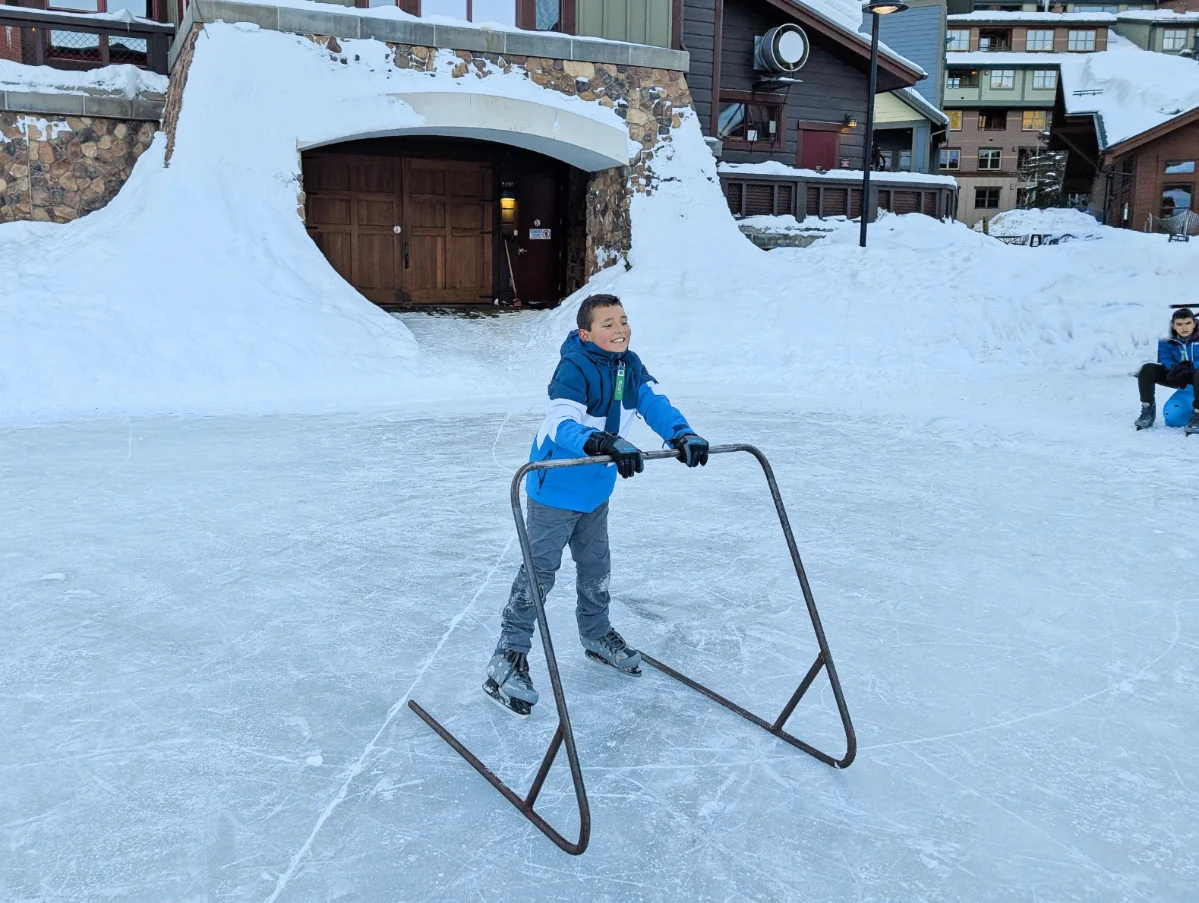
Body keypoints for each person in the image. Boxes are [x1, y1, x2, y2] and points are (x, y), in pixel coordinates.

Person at [483, 293, 709, 717]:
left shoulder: (630, 364)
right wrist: (602, 442)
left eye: (623, 320)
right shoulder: (574, 366)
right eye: (607, 323)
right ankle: (508, 655)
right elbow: (560, 422)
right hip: (556, 488)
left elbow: (653, 403)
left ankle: (596, 633)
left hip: (596, 490)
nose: (619, 329)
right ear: (586, 333)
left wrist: (681, 433)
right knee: (539, 573)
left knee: (596, 568)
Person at [1135, 307, 1199, 433]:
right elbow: (1164, 356)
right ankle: (1148, 410)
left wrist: (1191, 367)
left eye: (1188, 323)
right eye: (1179, 324)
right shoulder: (1166, 337)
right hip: (1177, 374)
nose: (1184, 327)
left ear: (1194, 323)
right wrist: (1174, 368)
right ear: (1173, 325)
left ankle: (1197, 415)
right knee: (1147, 369)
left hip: (1196, 374)